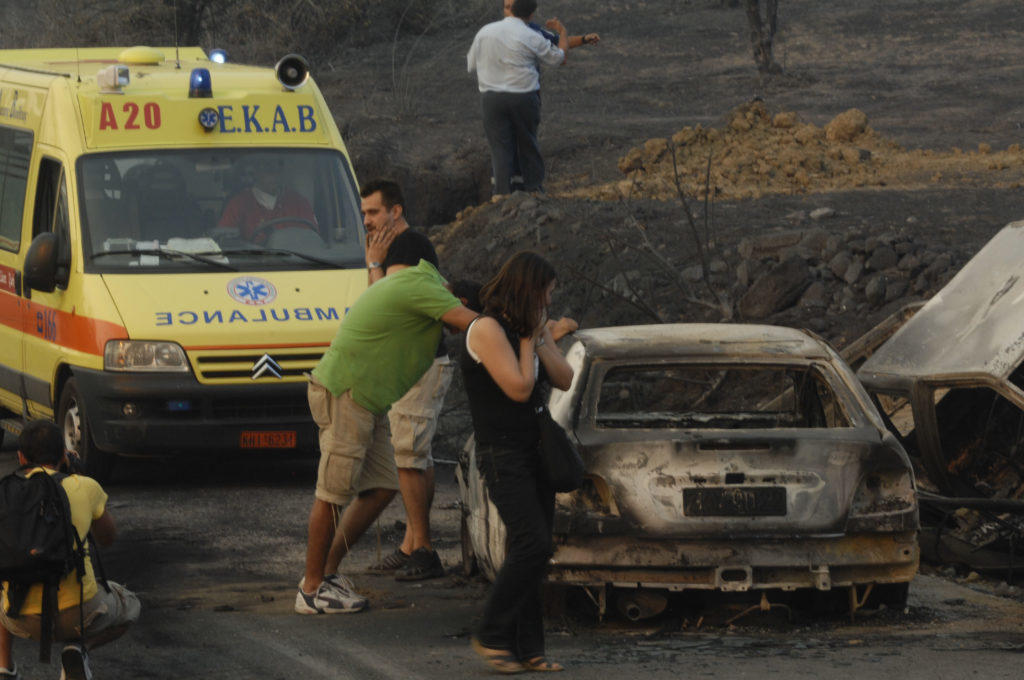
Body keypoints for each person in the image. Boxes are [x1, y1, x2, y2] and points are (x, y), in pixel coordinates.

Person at [297, 233, 478, 614]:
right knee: (332, 493)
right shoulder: (423, 285)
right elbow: (474, 325)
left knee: (381, 484)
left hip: (368, 400)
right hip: (346, 392)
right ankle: (311, 589)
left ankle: (328, 573)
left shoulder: (415, 286)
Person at [460, 251, 574, 673]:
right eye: (545, 294)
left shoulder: (531, 327)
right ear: (529, 290)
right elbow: (520, 388)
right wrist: (529, 341)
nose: (548, 302)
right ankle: (491, 634)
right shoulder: (488, 329)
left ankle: (529, 649)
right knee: (532, 542)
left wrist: (542, 337)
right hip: (502, 454)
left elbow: (564, 378)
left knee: (533, 547)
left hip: (535, 451)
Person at [359, 180, 453, 581]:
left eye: (374, 212)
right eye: (364, 214)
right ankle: (412, 544)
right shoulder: (399, 248)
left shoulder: (408, 247)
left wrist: (374, 265)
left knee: (409, 459)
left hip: (420, 365)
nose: (367, 221)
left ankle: (425, 551)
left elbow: (388, 308)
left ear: (395, 211)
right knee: (417, 457)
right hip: (412, 366)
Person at [0, 420, 140, 680]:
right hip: (81, 613)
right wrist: (80, 478)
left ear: (20, 457)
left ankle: (5, 667)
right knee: (130, 605)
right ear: (64, 455)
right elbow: (108, 537)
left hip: (18, 618)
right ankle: (78, 649)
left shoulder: (5, 493)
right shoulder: (83, 486)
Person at [468, 0, 567, 195]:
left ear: (510, 9)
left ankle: (502, 195)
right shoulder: (531, 35)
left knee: (500, 147)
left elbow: (471, 64)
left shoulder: (485, 31)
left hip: (491, 99)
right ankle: (533, 190)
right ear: (531, 14)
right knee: (527, 143)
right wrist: (562, 33)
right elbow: (558, 58)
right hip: (523, 97)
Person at [499, 0, 600, 192]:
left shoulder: (532, 31)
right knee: (513, 144)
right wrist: (562, 33)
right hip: (510, 97)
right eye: (507, 7)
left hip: (520, 97)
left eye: (513, 6)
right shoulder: (497, 33)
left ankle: (519, 190)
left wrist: (584, 39)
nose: (511, 11)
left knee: (520, 142)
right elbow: (559, 55)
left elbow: (556, 45)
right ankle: (516, 190)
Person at [216, 155, 318, 244]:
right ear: (255, 172)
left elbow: (313, 240)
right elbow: (225, 242)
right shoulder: (238, 204)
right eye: (267, 167)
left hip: (299, 263)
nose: (274, 174)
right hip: (252, 264)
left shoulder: (299, 202)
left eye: (278, 167)